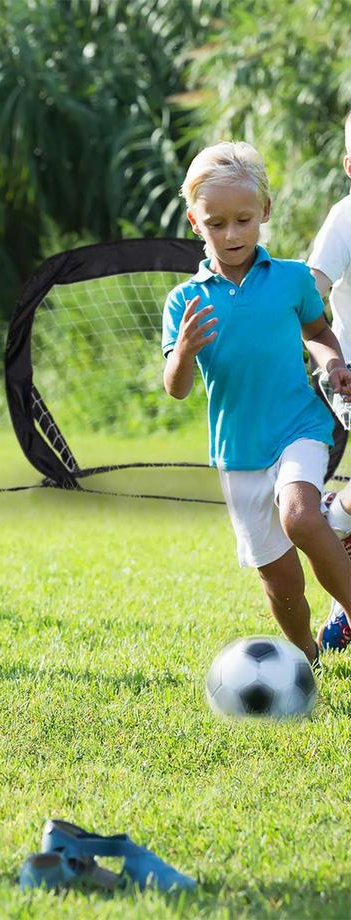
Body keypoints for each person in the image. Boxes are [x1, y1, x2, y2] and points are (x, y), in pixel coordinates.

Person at [162, 140, 351, 668]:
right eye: (216, 223)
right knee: (282, 582)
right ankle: (305, 658)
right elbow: (175, 388)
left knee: (299, 516)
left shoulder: (292, 279)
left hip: (300, 427)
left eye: (243, 220)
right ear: (195, 222)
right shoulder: (185, 301)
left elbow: (317, 329)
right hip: (238, 453)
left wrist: (332, 364)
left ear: (264, 212)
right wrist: (182, 354)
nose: (232, 234)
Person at [307, 110, 351, 652]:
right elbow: (308, 290)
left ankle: (337, 516)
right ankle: (332, 514)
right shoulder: (346, 218)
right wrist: (329, 361)